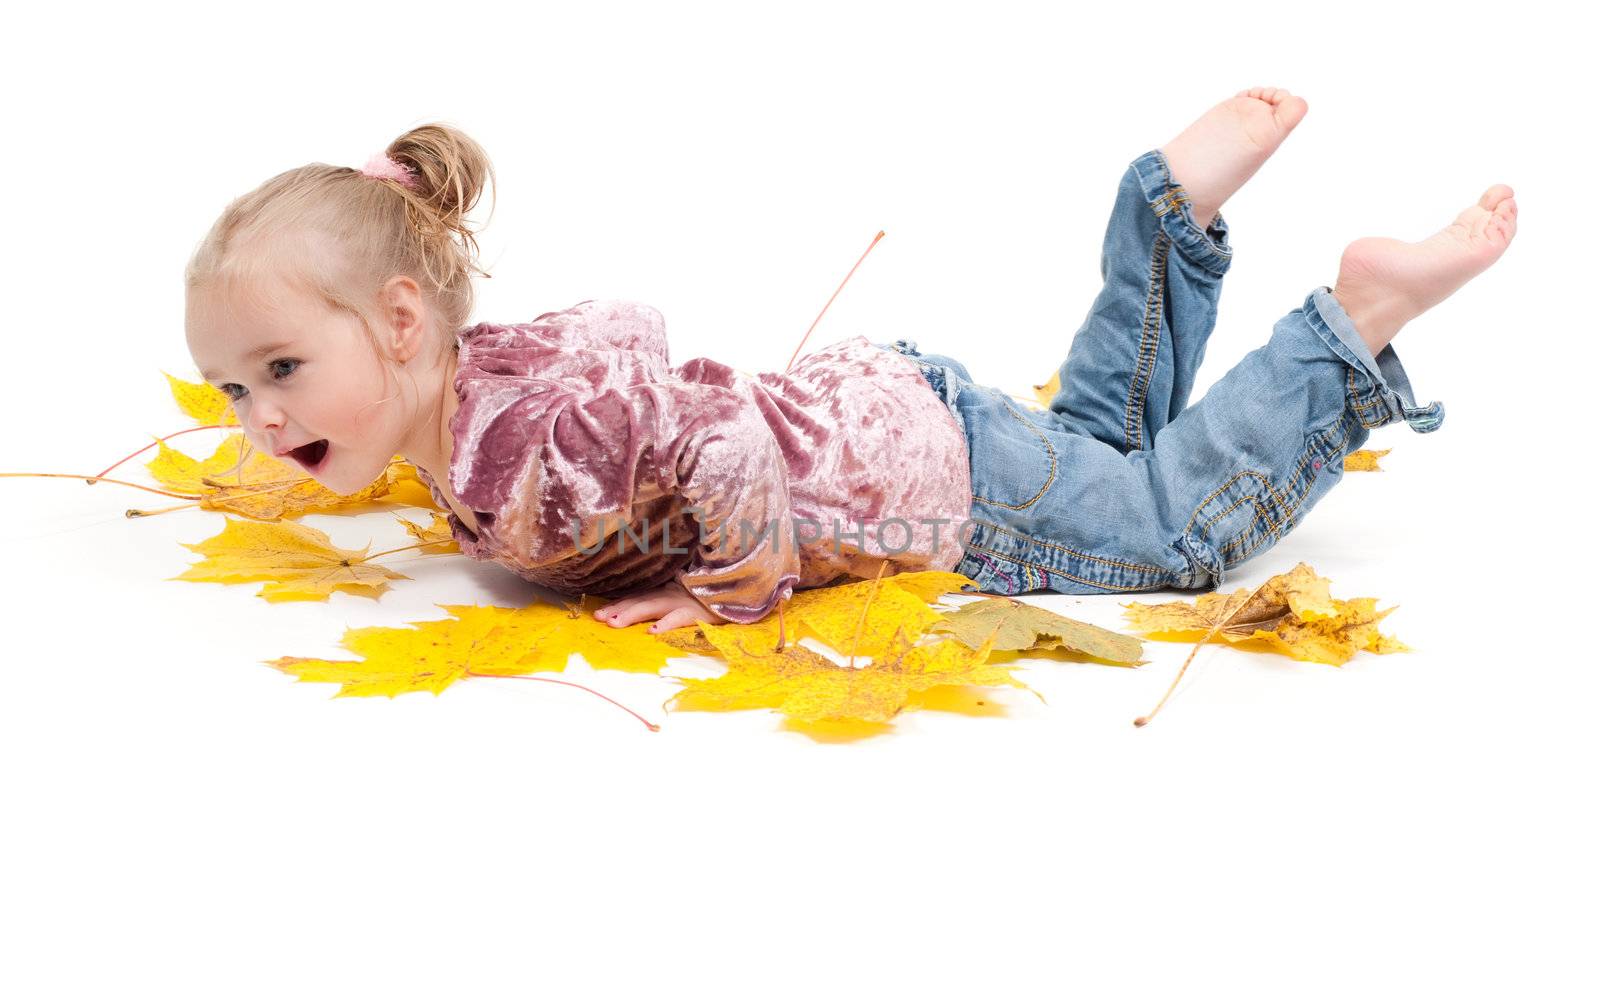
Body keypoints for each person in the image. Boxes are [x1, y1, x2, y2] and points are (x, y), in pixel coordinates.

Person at [184, 88, 1517, 635]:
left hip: (923, 490)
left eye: (281, 369)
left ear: (404, 324)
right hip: (894, 415)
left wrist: (734, 589)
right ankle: (1169, 214)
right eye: (239, 387)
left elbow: (718, 439)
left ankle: (1353, 321)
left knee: (1167, 533)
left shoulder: (525, 433)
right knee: (1100, 452)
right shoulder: (467, 408)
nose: (255, 414)